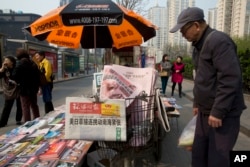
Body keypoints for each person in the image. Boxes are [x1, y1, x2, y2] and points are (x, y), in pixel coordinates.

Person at [170, 7, 246, 167]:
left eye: (184, 30)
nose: (183, 35)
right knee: (198, 155)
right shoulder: (197, 46)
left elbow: (230, 78)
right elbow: (202, 79)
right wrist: (197, 103)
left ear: (196, 25)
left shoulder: (218, 41)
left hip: (223, 115)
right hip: (205, 113)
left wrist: (218, 111)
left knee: (217, 159)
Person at [15, 48, 40, 122]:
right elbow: (37, 76)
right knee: (34, 105)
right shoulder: (33, 63)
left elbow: (14, 76)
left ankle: (27, 122)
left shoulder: (19, 64)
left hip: (24, 89)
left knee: (25, 107)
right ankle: (37, 120)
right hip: (33, 88)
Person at [0, 56, 22, 127]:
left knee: (19, 105)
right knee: (7, 106)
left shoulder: (16, 68)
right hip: (9, 90)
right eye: (4, 60)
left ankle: (18, 120)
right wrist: (3, 68)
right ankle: (3, 122)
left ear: (12, 62)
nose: (5, 61)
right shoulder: (5, 69)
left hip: (17, 88)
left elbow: (16, 77)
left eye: (7, 60)